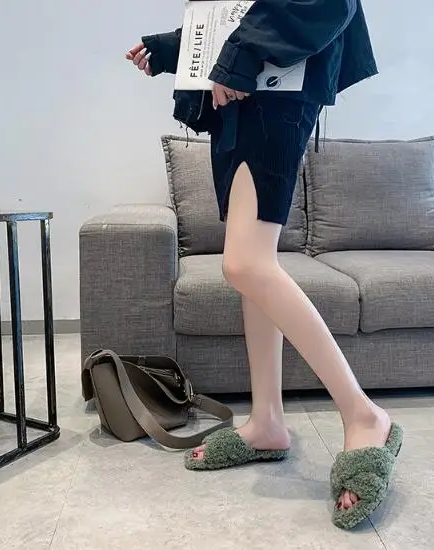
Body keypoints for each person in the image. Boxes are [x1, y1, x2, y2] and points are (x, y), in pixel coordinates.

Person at [127, 0, 402, 530]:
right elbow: (236, 11)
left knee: (245, 265)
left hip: (275, 91)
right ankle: (267, 421)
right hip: (246, 96)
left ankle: (365, 415)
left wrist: (240, 59)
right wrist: (173, 48)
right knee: (253, 268)